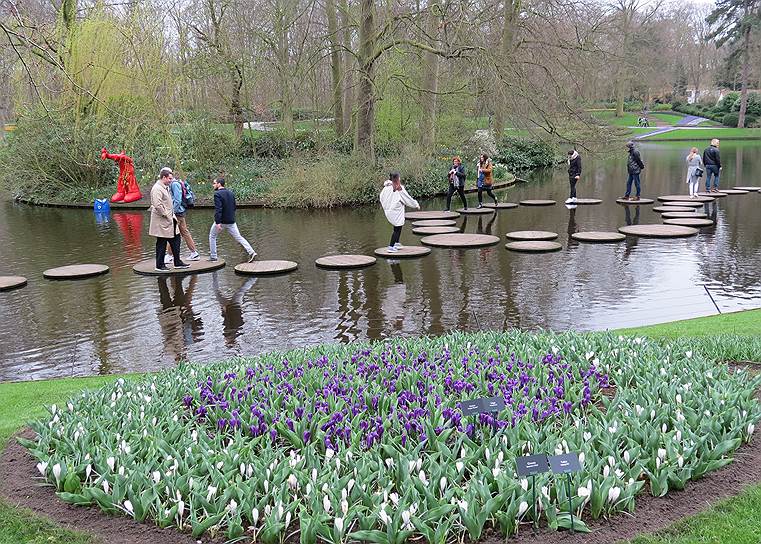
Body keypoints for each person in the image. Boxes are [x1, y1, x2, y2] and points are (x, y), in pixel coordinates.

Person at [149, 167, 189, 271]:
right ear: (163, 177)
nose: (171, 180)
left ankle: (177, 262)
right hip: (162, 221)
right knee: (161, 243)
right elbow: (157, 205)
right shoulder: (157, 188)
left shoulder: (164, 187)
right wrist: (166, 214)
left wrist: (170, 215)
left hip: (170, 220)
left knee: (176, 239)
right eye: (169, 178)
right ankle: (159, 265)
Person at [208, 177, 257, 262]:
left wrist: (218, 222)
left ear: (219, 184)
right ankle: (251, 252)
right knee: (239, 237)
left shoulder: (217, 194)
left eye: (214, 183)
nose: (213, 185)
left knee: (212, 236)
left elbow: (218, 209)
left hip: (222, 221)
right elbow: (234, 207)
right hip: (231, 221)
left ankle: (213, 256)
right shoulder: (231, 193)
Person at [379, 171, 420, 253]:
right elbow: (406, 198)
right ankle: (390, 246)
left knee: (397, 226)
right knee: (397, 229)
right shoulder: (398, 187)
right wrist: (415, 204)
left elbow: (381, 198)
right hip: (396, 211)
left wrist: (387, 207)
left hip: (389, 210)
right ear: (397, 178)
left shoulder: (385, 188)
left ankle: (396, 243)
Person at [166, 175, 200, 262]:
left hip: (177, 213)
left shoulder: (174, 184)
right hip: (180, 212)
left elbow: (177, 200)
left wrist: (172, 212)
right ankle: (194, 253)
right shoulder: (177, 183)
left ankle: (170, 255)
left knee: (172, 233)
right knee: (184, 232)